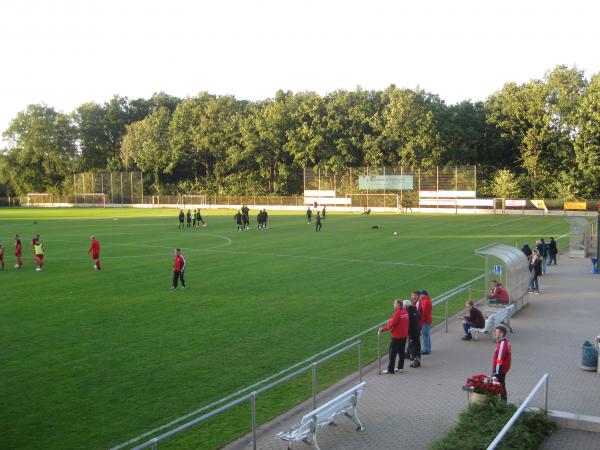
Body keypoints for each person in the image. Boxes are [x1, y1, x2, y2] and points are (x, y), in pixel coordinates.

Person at [379, 299, 409, 374]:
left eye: (394, 303)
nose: (393, 305)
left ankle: (390, 369)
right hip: (404, 335)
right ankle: (400, 368)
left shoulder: (397, 313)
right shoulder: (405, 312)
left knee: (392, 353)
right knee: (401, 353)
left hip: (397, 337)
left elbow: (392, 324)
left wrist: (383, 329)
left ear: (398, 305)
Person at [492, 324, 511, 402]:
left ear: (502, 334)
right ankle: (503, 401)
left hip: (500, 370)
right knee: (501, 385)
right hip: (501, 369)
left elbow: (500, 359)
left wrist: (496, 371)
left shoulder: (502, 344)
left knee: (500, 385)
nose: (495, 334)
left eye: (497, 332)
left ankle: (503, 402)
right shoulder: (503, 342)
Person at [403, 300, 421, 367]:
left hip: (412, 333)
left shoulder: (407, 312)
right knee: (417, 346)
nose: (402, 307)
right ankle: (415, 358)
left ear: (406, 306)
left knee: (413, 347)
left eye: (403, 306)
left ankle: (415, 361)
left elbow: (407, 323)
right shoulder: (414, 309)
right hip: (417, 331)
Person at [419, 290, 432, 354]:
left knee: (424, 335)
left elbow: (424, 313)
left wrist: (421, 322)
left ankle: (426, 350)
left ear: (423, 295)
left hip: (425, 321)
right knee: (427, 335)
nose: (419, 296)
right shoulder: (427, 300)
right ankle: (428, 348)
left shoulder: (425, 302)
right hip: (428, 320)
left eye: (420, 294)